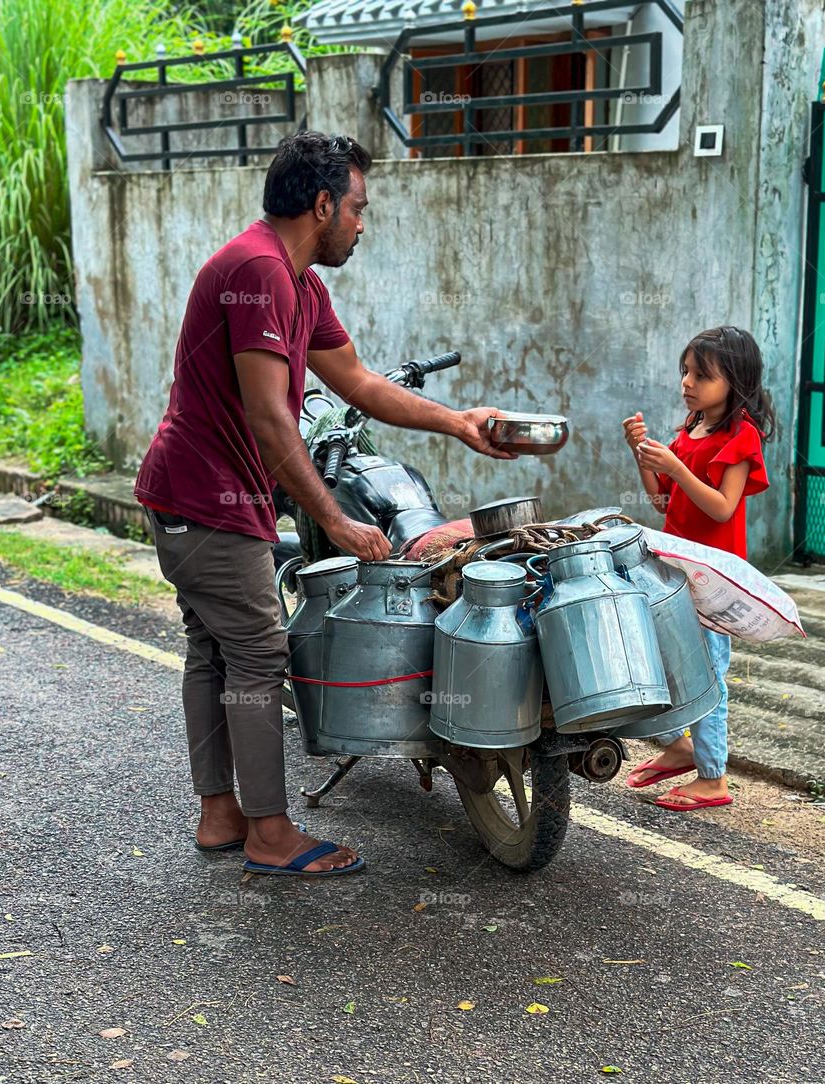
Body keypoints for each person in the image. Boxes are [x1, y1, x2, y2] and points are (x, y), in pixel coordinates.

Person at [134, 131, 513, 876]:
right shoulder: (257, 271)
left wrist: (458, 422)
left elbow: (362, 385)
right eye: (359, 208)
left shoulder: (301, 284)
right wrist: (335, 521)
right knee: (257, 653)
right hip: (206, 501)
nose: (362, 225)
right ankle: (271, 834)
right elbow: (269, 416)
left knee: (214, 651)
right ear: (322, 203)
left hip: (194, 497)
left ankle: (222, 815)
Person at [621, 326, 775, 811]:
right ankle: (677, 746)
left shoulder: (740, 436)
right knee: (658, 657)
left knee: (707, 675)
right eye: (686, 372)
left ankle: (713, 778)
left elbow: (722, 509)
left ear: (734, 381)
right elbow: (661, 499)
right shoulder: (692, 427)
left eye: (702, 375)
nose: (688, 382)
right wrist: (643, 454)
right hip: (675, 569)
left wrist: (676, 466)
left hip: (713, 578)